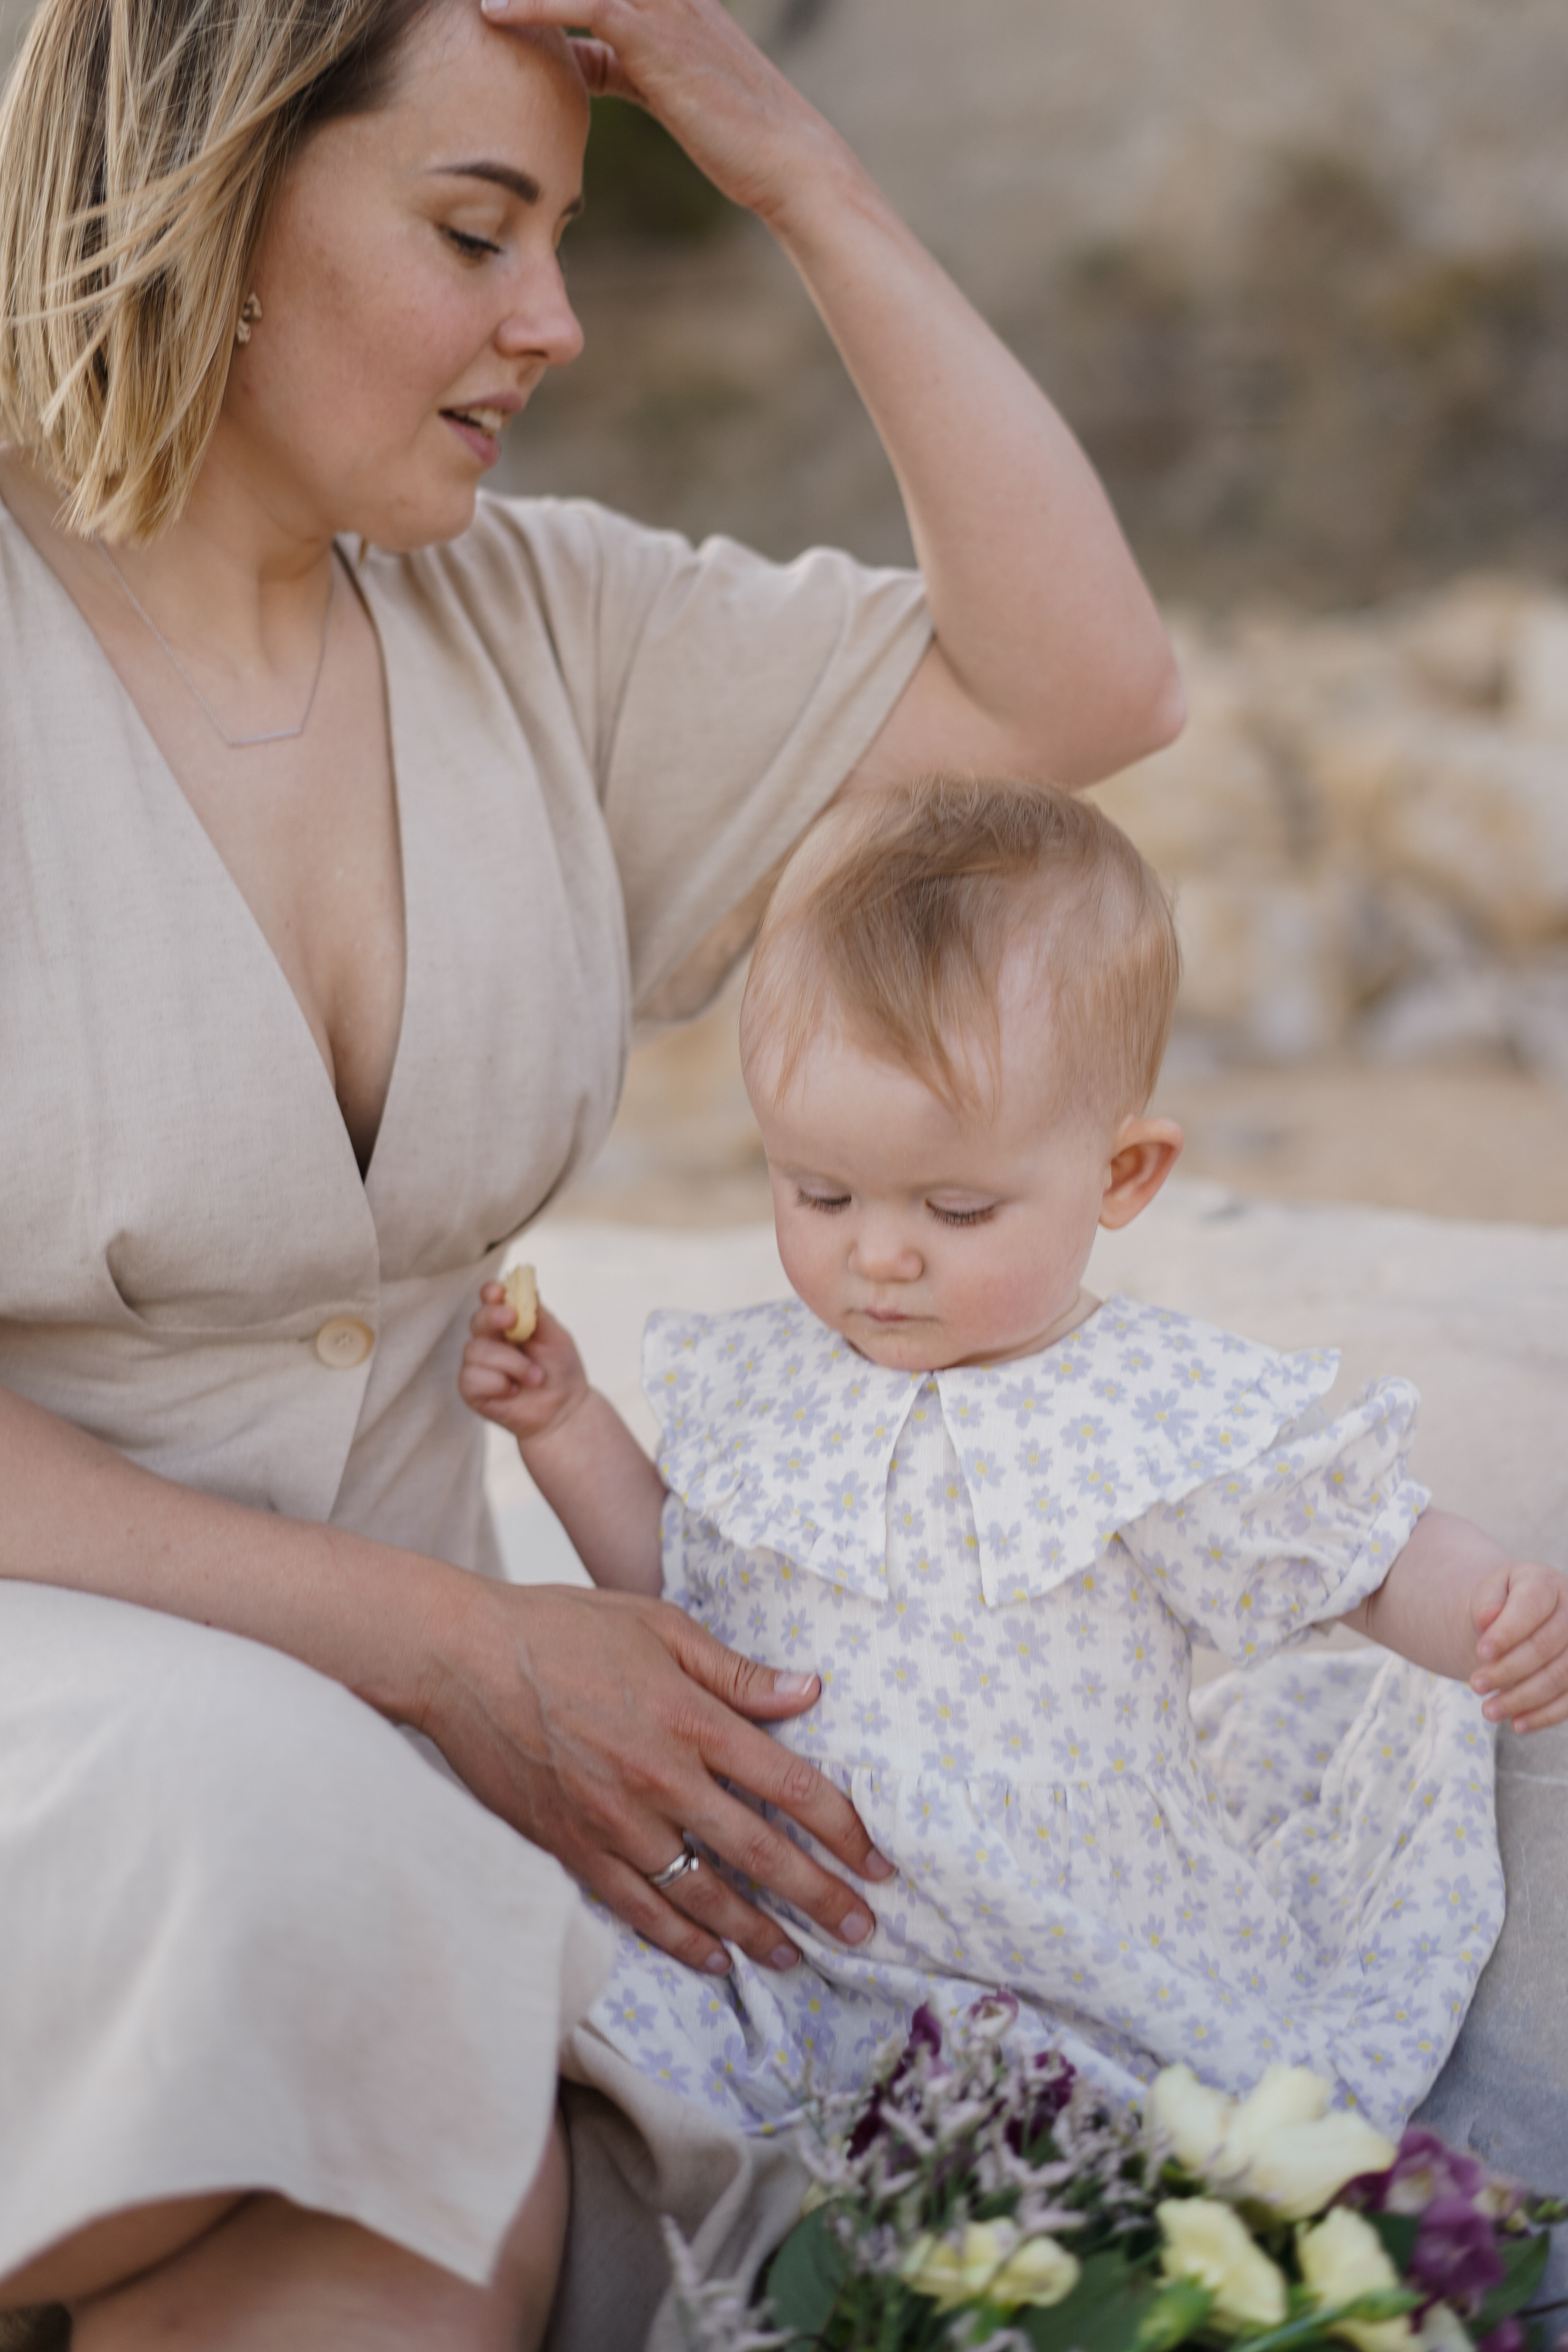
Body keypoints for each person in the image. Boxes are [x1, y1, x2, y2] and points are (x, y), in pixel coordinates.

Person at [0, 0, 1186, 2330]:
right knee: (320, 1893)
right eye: (473, 231)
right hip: (110, 1728)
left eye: (559, 231)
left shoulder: (536, 623)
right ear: (219, 200)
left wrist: (803, 176)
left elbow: (1086, 689)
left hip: (398, 1804)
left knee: (449, 2226)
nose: (550, 319)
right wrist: (456, 1651)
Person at [463, 778, 1568, 2150]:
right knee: (539, 1966)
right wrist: (567, 1422)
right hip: (811, 1950)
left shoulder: (1136, 1407)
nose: (877, 1254)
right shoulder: (772, 1385)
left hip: (1086, 1951)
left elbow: (1354, 1551)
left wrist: (1485, 1606)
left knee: (1161, 2144)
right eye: (817, 1192)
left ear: (1121, 1176)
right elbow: (684, 1603)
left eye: (956, 1208)